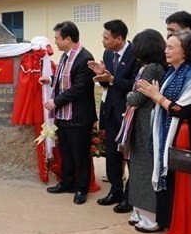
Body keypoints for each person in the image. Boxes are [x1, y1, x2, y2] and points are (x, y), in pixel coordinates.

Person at [136, 30, 191, 234]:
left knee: (184, 188)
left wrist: (156, 96)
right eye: (166, 47)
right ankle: (176, 231)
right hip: (173, 135)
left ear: (185, 51)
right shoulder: (173, 72)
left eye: (171, 47)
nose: (166, 51)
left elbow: (182, 110)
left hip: (183, 136)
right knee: (175, 186)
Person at [40, 21, 97, 205]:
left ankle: (81, 188)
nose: (55, 42)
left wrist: (55, 101)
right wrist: (49, 79)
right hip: (64, 115)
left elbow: (79, 88)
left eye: (57, 38)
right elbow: (62, 78)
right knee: (66, 152)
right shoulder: (66, 56)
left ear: (68, 38)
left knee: (80, 154)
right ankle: (67, 182)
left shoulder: (85, 58)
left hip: (79, 116)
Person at [87, 19, 137, 213]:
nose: (103, 41)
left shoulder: (135, 55)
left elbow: (135, 84)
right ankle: (115, 190)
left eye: (106, 38)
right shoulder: (108, 54)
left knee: (130, 155)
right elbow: (109, 84)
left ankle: (129, 196)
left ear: (119, 38)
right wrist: (103, 78)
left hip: (128, 111)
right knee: (112, 154)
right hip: (110, 110)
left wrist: (112, 79)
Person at [121, 29, 167, 232]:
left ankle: (150, 214)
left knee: (144, 167)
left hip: (145, 122)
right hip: (141, 120)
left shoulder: (151, 69)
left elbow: (136, 98)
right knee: (138, 166)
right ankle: (140, 210)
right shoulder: (149, 67)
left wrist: (129, 97)